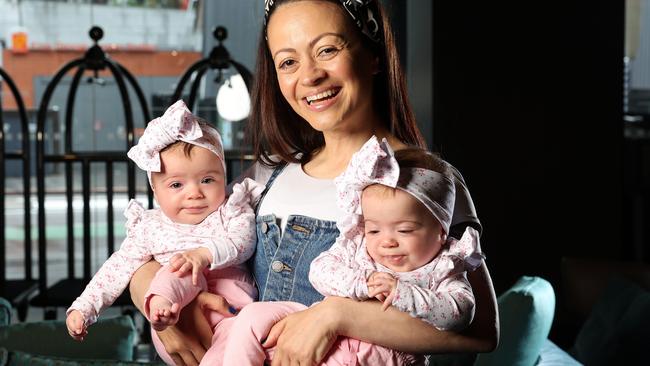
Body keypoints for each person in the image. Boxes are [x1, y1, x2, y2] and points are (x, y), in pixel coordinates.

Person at [130, 1, 499, 365]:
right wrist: (158, 299)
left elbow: (480, 331)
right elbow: (147, 250)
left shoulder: (426, 179)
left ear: (373, 57)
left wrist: (336, 316)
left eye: (327, 50)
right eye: (288, 62)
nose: (309, 76)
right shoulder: (268, 174)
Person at [216, 136, 485, 365]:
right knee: (247, 320)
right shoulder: (269, 171)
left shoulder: (446, 264)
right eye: (374, 230)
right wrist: (362, 283)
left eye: (404, 230)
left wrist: (399, 295)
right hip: (295, 321)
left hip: (376, 350)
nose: (387, 241)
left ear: (441, 233)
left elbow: (467, 318)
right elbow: (320, 270)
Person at [66, 100, 263, 352]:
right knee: (176, 270)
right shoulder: (150, 227)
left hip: (232, 314)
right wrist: (85, 307)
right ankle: (162, 305)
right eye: (176, 185)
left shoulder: (230, 211)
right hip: (175, 323)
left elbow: (243, 243)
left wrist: (204, 255)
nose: (194, 193)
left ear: (223, 177)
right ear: (155, 192)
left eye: (207, 180)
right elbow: (117, 268)